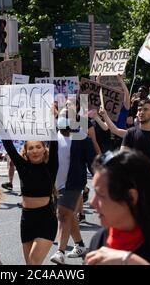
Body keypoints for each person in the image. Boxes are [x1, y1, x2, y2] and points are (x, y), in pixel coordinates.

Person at [1, 133, 58, 265]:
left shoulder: (51, 166)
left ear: (44, 149)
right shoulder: (22, 166)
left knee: (33, 261)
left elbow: (55, 143)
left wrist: (53, 120)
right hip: (26, 220)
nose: (35, 151)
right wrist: (1, 118)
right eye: (31, 148)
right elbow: (8, 145)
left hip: (46, 220)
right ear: (26, 152)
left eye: (38, 147)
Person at [50, 108, 95, 265]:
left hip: (74, 183)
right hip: (55, 185)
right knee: (68, 215)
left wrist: (101, 181)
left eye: (67, 115)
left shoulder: (82, 138)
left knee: (62, 214)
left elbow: (93, 163)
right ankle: (80, 245)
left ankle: (60, 252)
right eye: (61, 115)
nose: (63, 117)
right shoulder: (52, 136)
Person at [121, 99, 150, 171]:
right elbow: (123, 157)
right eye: (139, 110)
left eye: (145, 109)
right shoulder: (130, 133)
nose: (141, 112)